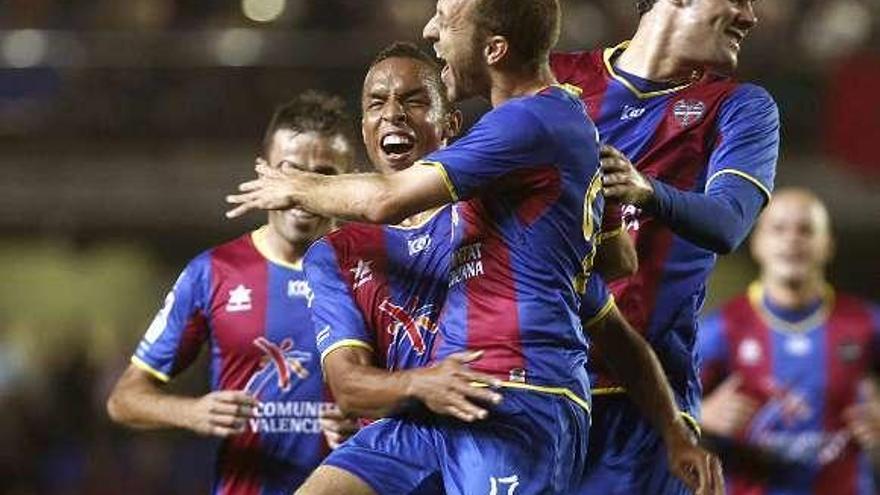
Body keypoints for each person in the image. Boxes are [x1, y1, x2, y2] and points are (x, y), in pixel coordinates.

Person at [228, 1, 601, 492]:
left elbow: (606, 304)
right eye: (376, 104)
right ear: (363, 129)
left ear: (451, 126)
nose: (392, 115)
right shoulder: (338, 252)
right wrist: (415, 385)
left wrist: (296, 185)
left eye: (414, 100)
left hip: (507, 395)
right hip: (417, 419)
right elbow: (348, 383)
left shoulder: (508, 165)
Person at [550, 0, 778, 492]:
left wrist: (646, 191)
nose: (751, 16)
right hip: (535, 389)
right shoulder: (555, 78)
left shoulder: (739, 107)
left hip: (647, 415)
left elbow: (729, 221)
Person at [105, 92, 356, 494]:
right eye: (288, 171)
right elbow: (124, 398)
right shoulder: (214, 272)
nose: (299, 190)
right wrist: (193, 412)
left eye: (321, 175)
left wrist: (368, 421)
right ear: (263, 172)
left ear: (346, 182)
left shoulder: (372, 272)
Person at [699, 189, 880, 495]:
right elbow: (656, 407)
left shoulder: (866, 323)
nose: (792, 239)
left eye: (806, 230)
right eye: (779, 229)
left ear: (828, 245)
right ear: (757, 244)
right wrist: (699, 414)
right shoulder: (722, 328)